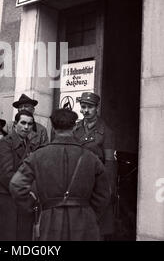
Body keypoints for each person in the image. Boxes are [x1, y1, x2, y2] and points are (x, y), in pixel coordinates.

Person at [10, 108, 111, 241]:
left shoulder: (38, 155)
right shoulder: (91, 157)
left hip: (50, 218)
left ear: (53, 127)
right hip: (84, 219)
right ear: (75, 127)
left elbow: (16, 185)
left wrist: (35, 206)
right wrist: (90, 212)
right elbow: (104, 193)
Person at [73, 92, 117, 239]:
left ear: (97, 108)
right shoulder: (75, 129)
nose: (85, 110)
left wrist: (107, 191)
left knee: (96, 228)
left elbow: (110, 164)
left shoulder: (106, 133)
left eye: (90, 107)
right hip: (77, 183)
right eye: (83, 107)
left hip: (96, 184)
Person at [0, 110, 35, 241]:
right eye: (23, 123)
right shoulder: (5, 143)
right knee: (6, 236)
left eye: (30, 124)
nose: (26, 127)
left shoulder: (31, 146)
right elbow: (5, 174)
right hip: (6, 198)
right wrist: (26, 191)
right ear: (15, 124)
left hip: (22, 199)